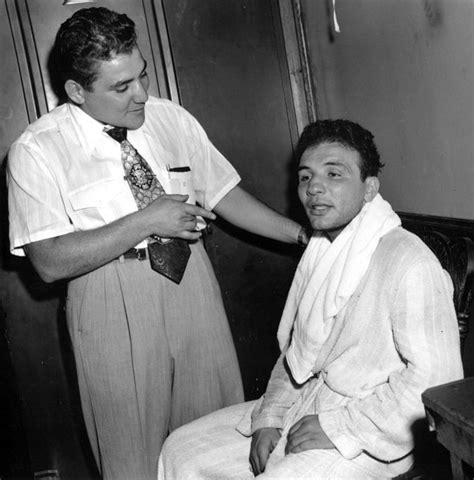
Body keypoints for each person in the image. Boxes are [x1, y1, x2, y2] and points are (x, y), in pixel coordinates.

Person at [7, 7, 308, 480]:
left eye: (142, 75)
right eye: (122, 87)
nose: (142, 94)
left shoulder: (169, 118)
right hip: (109, 298)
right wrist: (146, 220)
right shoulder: (37, 149)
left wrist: (304, 237)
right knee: (132, 458)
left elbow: (225, 193)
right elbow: (47, 261)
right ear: (76, 91)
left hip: (192, 283)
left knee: (214, 441)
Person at [157, 119, 464, 479]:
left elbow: (433, 382)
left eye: (334, 174)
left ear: (369, 189)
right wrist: (269, 417)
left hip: (372, 432)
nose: (314, 187)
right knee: (182, 449)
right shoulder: (322, 250)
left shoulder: (409, 262)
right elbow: (296, 355)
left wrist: (341, 429)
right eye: (305, 177)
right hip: (307, 405)